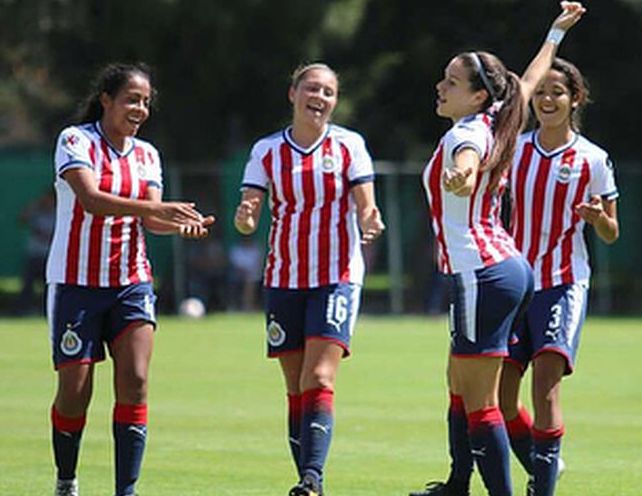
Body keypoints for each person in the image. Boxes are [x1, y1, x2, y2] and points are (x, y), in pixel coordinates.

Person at [410, 4, 586, 496]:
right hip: (503, 266)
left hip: (479, 271)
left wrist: (462, 174)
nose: (440, 87)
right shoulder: (501, 118)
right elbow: (527, 80)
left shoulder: (467, 134)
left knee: (480, 399)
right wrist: (555, 31)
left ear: (478, 95)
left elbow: (465, 162)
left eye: (451, 82)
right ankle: (457, 482)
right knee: (458, 379)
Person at [47, 62, 212, 496]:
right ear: (106, 99)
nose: (139, 108)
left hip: (131, 282)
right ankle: (67, 480)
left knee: (136, 381)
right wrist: (157, 211)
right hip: (75, 283)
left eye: (145, 101)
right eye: (131, 99)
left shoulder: (147, 154)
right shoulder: (75, 140)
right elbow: (92, 200)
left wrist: (178, 223)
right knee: (74, 392)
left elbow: (152, 220)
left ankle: (127, 491)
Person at [233, 62, 385, 496]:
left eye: (328, 92)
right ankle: (308, 480)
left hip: (335, 276)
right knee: (296, 386)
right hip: (283, 277)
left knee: (318, 378)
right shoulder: (266, 151)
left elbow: (365, 204)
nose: (319, 97)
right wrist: (245, 217)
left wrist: (370, 220)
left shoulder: (349, 145)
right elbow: (248, 215)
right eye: (311, 89)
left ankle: (312, 479)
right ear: (293, 93)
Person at [501, 57, 619, 496]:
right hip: (516, 284)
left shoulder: (593, 159)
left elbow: (611, 232)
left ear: (576, 99)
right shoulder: (515, 149)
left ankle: (543, 488)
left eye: (559, 93)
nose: (548, 100)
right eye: (543, 92)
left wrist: (596, 218)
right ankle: (543, 465)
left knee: (545, 390)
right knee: (500, 399)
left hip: (564, 283)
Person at [16, 189, 56, 315]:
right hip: (34, 255)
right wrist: (35, 205)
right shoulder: (37, 213)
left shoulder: (57, 215)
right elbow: (22, 218)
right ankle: (23, 310)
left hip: (48, 256)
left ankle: (45, 311)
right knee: (28, 285)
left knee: (47, 286)